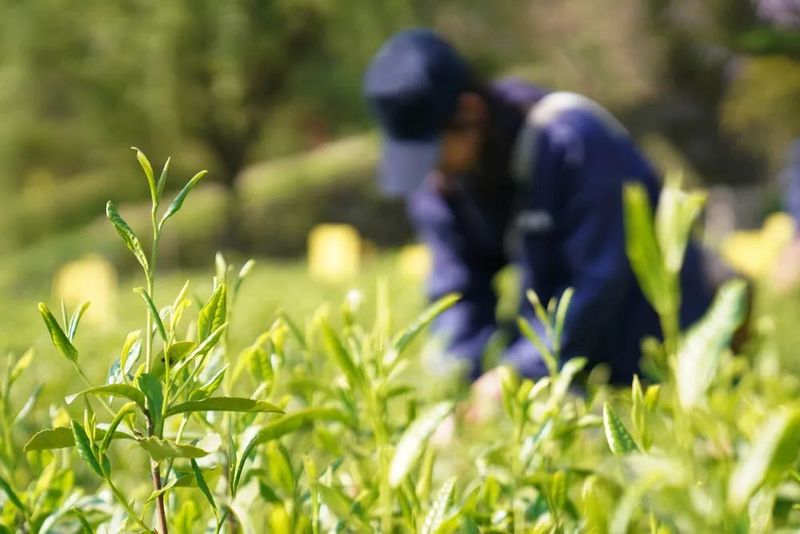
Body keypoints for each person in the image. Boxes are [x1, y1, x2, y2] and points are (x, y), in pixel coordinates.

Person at [363, 29, 715, 384]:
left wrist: (514, 374)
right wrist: (466, 375)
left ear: (471, 112)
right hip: (566, 371)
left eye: (433, 151)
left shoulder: (573, 144)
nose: (430, 171)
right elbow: (456, 288)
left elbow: (599, 279)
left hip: (662, 356)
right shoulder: (445, 181)